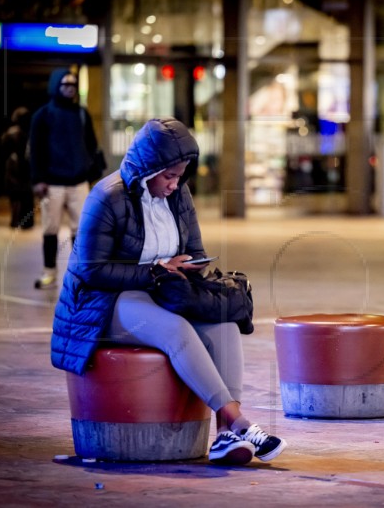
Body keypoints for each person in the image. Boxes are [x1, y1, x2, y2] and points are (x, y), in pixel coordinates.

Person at [50, 117, 287, 465]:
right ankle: (241, 423)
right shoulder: (106, 197)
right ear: (149, 169)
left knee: (223, 323)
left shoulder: (179, 196)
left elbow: (193, 249)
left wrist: (191, 266)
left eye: (181, 176)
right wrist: (155, 271)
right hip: (104, 301)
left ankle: (224, 436)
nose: (175, 185)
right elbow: (90, 270)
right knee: (176, 330)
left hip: (163, 290)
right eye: (169, 176)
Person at [29, 67, 100, 289]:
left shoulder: (82, 113)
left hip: (79, 181)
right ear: (55, 86)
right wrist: (38, 179)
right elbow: (36, 150)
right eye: (65, 85)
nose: (70, 89)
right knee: (50, 229)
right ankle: (49, 271)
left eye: (72, 85)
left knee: (81, 229)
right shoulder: (43, 115)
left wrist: (90, 172)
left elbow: (91, 145)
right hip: (52, 183)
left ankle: (78, 272)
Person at [1, 106, 34, 229]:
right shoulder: (28, 132)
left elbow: (3, 150)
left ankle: (17, 220)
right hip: (21, 167)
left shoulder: (11, 133)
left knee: (17, 196)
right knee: (22, 194)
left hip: (16, 167)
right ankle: (25, 221)